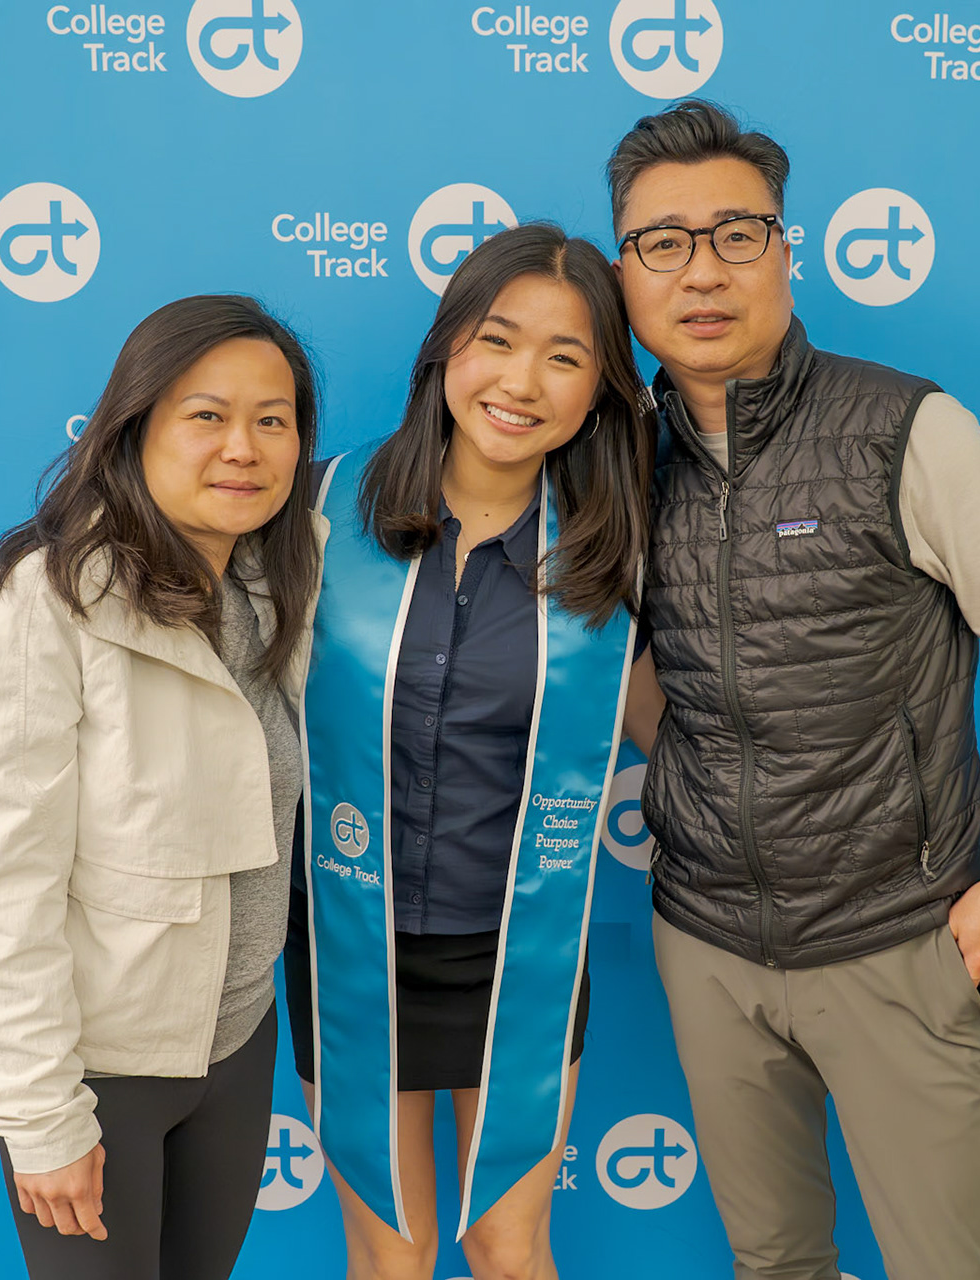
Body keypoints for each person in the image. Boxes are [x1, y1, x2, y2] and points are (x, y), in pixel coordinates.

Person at [607, 101, 980, 1280]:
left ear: (787, 251)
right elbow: (633, 664)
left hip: (898, 935)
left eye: (735, 234)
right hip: (708, 940)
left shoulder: (903, 427)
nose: (701, 271)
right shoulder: (622, 460)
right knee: (775, 1261)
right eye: (662, 243)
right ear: (625, 274)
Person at [0, 294, 324, 1280]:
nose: (243, 447)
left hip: (235, 1045)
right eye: (207, 415)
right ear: (133, 428)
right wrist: (40, 1113)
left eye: (272, 420)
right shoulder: (40, 605)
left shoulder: (273, 587)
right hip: (99, 1070)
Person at [282, 223, 657, 1280]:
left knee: (508, 1246)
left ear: (600, 391)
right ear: (447, 345)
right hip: (349, 935)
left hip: (521, 942)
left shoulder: (617, 553)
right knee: (390, 1257)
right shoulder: (314, 512)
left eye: (565, 357)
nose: (521, 382)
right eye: (498, 340)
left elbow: (683, 731)